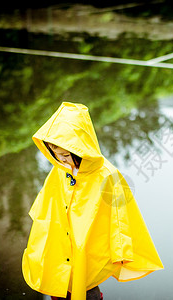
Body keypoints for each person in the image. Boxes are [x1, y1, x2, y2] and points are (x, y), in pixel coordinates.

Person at [22, 102, 164, 300]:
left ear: (80, 149)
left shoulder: (107, 175)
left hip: (89, 244)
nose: (61, 160)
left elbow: (119, 215)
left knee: (85, 285)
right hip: (63, 240)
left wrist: (121, 248)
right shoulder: (60, 169)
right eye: (55, 155)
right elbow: (47, 201)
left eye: (65, 155)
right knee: (59, 284)